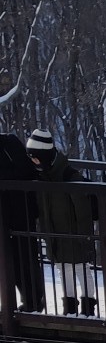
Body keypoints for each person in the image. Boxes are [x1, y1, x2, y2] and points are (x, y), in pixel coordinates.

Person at [25, 128, 96, 316]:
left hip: (74, 232)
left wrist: (85, 236)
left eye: (36, 158)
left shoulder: (68, 176)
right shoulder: (42, 176)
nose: (33, 162)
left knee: (81, 268)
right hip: (55, 233)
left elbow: (83, 211)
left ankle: (88, 307)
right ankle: (70, 307)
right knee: (62, 269)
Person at [0, 133, 46, 311]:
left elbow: (27, 171)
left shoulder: (9, 142)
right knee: (10, 259)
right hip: (6, 213)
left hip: (21, 211)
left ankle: (32, 302)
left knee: (24, 258)